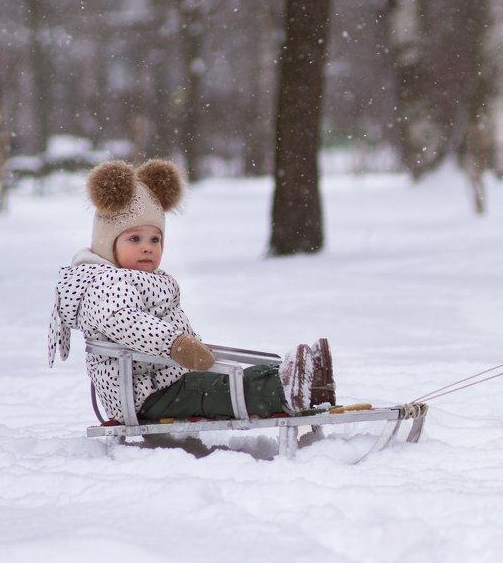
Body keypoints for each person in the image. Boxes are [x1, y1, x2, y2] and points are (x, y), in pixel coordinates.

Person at [47, 159, 335, 423]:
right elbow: (122, 320)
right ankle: (284, 389)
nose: (147, 247)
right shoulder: (107, 283)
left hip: (167, 379)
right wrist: (176, 344)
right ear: (107, 243)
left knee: (232, 379)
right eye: (134, 239)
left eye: (155, 239)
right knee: (218, 390)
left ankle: (303, 381)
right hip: (145, 394)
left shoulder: (142, 279)